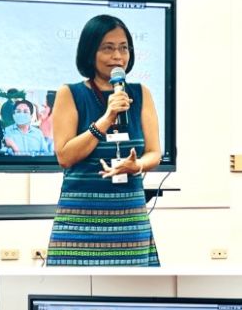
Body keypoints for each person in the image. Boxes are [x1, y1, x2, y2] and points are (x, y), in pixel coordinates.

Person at [46, 15, 161, 266]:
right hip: (80, 219)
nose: (118, 56)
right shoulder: (70, 93)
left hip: (128, 218)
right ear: (90, 52)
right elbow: (65, 156)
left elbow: (154, 152)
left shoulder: (141, 94)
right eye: (108, 48)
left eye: (124, 48)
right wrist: (106, 118)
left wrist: (138, 166)